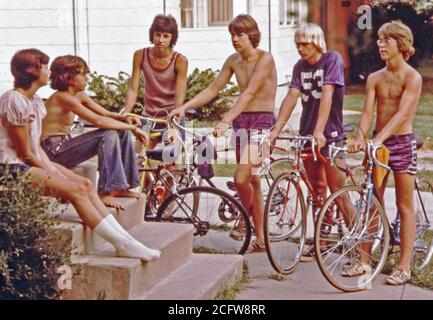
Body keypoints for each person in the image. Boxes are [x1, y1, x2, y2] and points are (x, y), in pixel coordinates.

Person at [0, 48, 160, 261]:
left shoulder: (34, 101)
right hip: (11, 169)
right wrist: (55, 176)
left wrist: (53, 171)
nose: (49, 71)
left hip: (31, 161)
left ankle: (126, 240)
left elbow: (35, 148)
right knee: (76, 190)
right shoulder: (14, 100)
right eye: (45, 67)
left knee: (85, 185)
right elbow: (26, 153)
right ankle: (121, 243)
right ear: (31, 71)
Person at [170, 14, 277, 253]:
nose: (235, 39)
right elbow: (213, 88)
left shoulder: (265, 59)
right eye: (232, 35)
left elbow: (248, 93)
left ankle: (242, 218)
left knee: (241, 178)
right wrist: (184, 107)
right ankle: (259, 239)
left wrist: (225, 119)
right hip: (242, 121)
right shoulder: (233, 60)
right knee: (253, 180)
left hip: (261, 120)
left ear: (252, 35)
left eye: (240, 34)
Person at [348, 21, 422, 285]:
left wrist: (379, 138)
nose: (380, 44)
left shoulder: (412, 77)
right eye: (379, 40)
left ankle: (403, 266)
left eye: (386, 40)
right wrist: (360, 138)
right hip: (378, 148)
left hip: (401, 144)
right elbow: (368, 112)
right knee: (371, 202)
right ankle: (364, 260)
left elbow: (403, 113)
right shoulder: (374, 78)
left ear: (400, 45)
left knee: (404, 206)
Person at [270, 23, 349, 261]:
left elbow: (327, 94)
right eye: (298, 44)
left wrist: (319, 131)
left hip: (330, 134)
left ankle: (358, 245)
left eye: (305, 43)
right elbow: (291, 98)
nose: (300, 48)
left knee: (339, 191)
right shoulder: (299, 67)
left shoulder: (331, 59)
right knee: (317, 191)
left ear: (317, 42)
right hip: (308, 134)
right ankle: (321, 243)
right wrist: (276, 130)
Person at [41, 55, 148, 210]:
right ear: (68, 77)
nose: (87, 78)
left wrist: (127, 119)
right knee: (107, 134)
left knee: (120, 132)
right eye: (83, 74)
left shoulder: (80, 96)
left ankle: (121, 187)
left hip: (65, 145)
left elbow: (107, 115)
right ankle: (105, 192)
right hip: (53, 152)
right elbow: (99, 121)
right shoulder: (62, 97)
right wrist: (133, 129)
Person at [123, 13, 188, 146]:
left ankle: (173, 163)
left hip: (171, 116)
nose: (160, 40)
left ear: (172, 38)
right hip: (148, 116)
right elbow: (133, 88)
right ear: (152, 34)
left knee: (173, 159)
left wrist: (175, 120)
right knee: (140, 156)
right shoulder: (140, 55)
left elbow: (180, 95)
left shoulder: (180, 60)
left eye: (166, 36)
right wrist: (126, 112)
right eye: (157, 34)